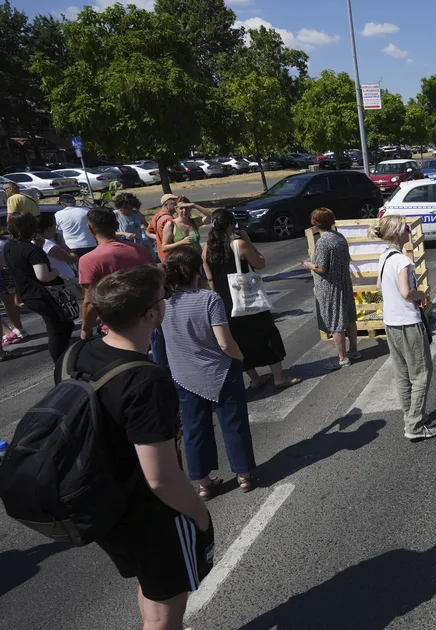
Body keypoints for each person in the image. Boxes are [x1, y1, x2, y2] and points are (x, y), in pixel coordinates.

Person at [76, 265, 214, 630]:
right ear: (150, 313)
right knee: (167, 607)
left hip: (103, 505)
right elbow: (161, 478)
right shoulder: (146, 380)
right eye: (162, 298)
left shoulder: (80, 354)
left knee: (151, 588)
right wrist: (199, 515)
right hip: (149, 514)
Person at [161, 247, 258, 497]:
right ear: (197, 271)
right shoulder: (208, 299)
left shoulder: (162, 303)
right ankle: (244, 475)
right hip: (220, 370)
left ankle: (204, 483)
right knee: (234, 423)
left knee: (194, 428)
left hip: (183, 375)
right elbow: (225, 342)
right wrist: (240, 356)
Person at [202, 209, 298, 391]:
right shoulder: (238, 245)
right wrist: (248, 241)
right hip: (247, 299)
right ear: (231, 225)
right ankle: (279, 377)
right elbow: (260, 263)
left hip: (225, 301)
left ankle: (255, 379)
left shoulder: (206, 249)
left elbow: (210, 279)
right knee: (266, 333)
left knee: (239, 339)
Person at [373, 214, 436, 442]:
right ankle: (415, 425)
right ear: (397, 232)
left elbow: (379, 286)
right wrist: (421, 294)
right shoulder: (402, 261)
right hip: (408, 322)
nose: (409, 232)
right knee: (421, 373)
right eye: (407, 228)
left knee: (402, 373)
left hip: (391, 322)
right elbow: (406, 292)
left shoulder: (384, 257)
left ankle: (411, 415)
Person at [3, 212, 74, 364]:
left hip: (26, 293)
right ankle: (60, 361)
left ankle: (63, 358)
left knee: (65, 325)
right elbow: (43, 276)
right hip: (43, 294)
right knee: (57, 328)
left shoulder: (9, 246)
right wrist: (56, 271)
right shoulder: (32, 250)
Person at [78, 208, 155, 340]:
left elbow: (90, 302)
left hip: (116, 328)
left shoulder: (89, 260)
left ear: (90, 229)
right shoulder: (140, 250)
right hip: (146, 321)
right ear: (117, 225)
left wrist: (86, 329)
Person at [301, 208, 359, 370]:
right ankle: (354, 350)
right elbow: (347, 259)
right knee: (349, 318)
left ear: (315, 223)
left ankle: (342, 358)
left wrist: (308, 265)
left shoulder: (323, 242)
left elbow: (321, 268)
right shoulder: (340, 237)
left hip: (330, 287)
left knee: (336, 322)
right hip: (344, 283)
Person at [37, 213, 80, 299]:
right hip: (64, 282)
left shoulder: (40, 242)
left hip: (60, 281)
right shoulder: (47, 244)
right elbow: (73, 258)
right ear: (48, 229)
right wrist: (63, 244)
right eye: (54, 226)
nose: (56, 229)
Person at [0, 231, 28, 347]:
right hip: (10, 273)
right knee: (11, 304)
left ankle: (10, 332)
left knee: (8, 304)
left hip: (2, 274)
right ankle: (19, 329)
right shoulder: (6, 240)